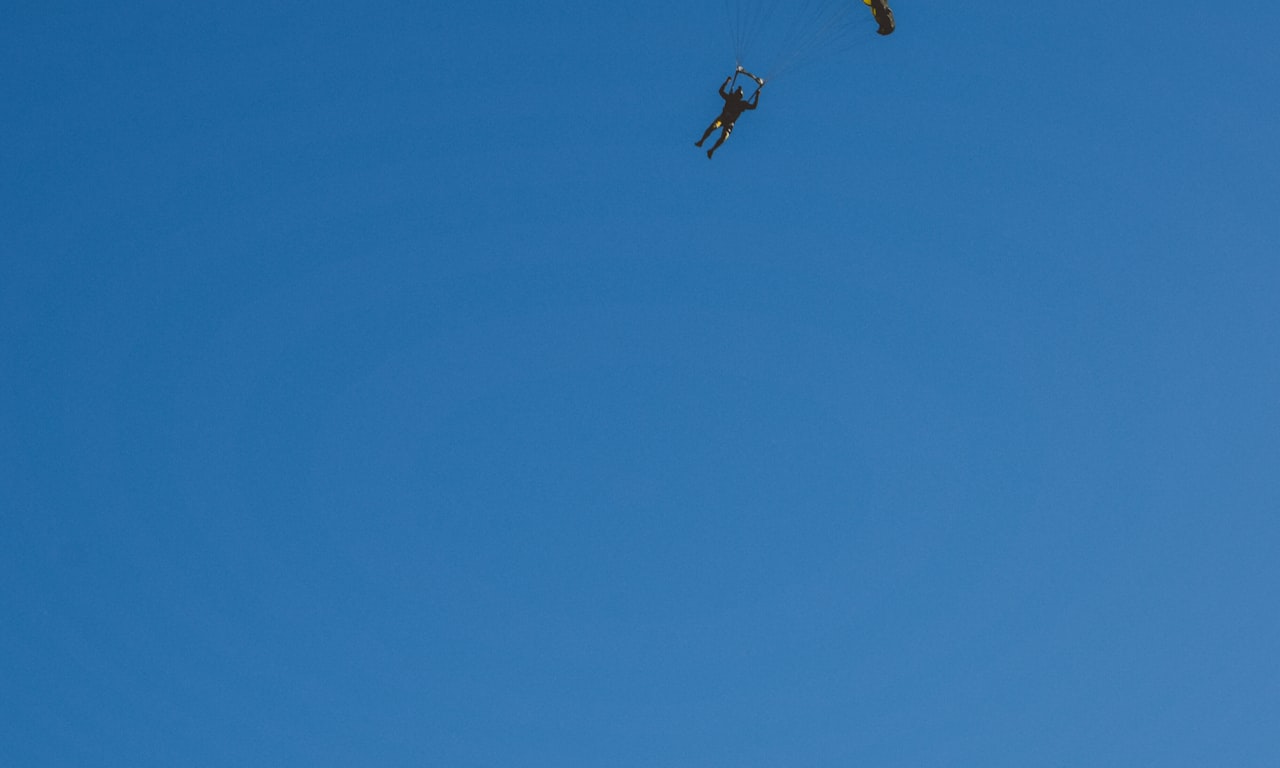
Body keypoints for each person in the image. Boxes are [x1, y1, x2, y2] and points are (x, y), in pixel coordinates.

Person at [695, 75, 760, 159]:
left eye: (738, 95)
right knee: (713, 126)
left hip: (730, 123)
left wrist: (757, 95)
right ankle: (702, 141)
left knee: (724, 136)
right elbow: (721, 91)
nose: (737, 96)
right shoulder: (730, 98)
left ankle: (711, 150)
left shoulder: (742, 104)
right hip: (722, 118)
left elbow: (753, 106)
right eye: (737, 93)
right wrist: (727, 82)